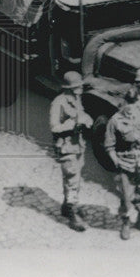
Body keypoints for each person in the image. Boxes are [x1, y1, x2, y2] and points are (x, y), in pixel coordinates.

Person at [104, 101, 140, 240]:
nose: (130, 109)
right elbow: (109, 145)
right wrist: (116, 161)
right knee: (126, 197)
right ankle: (126, 224)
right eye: (127, 105)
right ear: (123, 104)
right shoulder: (115, 120)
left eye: (134, 105)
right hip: (125, 164)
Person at [49, 71, 93, 232]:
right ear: (69, 88)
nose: (81, 88)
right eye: (77, 86)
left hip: (78, 145)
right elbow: (54, 127)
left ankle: (67, 206)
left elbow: (81, 115)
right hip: (66, 146)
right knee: (72, 180)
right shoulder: (58, 103)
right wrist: (73, 123)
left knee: (74, 178)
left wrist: (87, 119)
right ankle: (73, 214)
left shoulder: (76, 99)